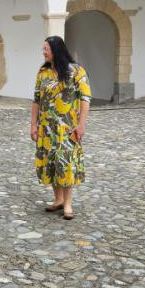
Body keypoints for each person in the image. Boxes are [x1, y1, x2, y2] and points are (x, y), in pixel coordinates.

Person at [30, 36, 91, 220]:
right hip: (46, 128)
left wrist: (81, 124)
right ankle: (58, 200)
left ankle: (68, 204)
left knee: (66, 164)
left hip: (67, 128)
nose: (43, 52)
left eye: (46, 49)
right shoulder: (43, 72)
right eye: (43, 48)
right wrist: (33, 124)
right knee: (50, 164)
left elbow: (85, 98)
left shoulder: (76, 71)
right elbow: (36, 99)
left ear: (56, 50)